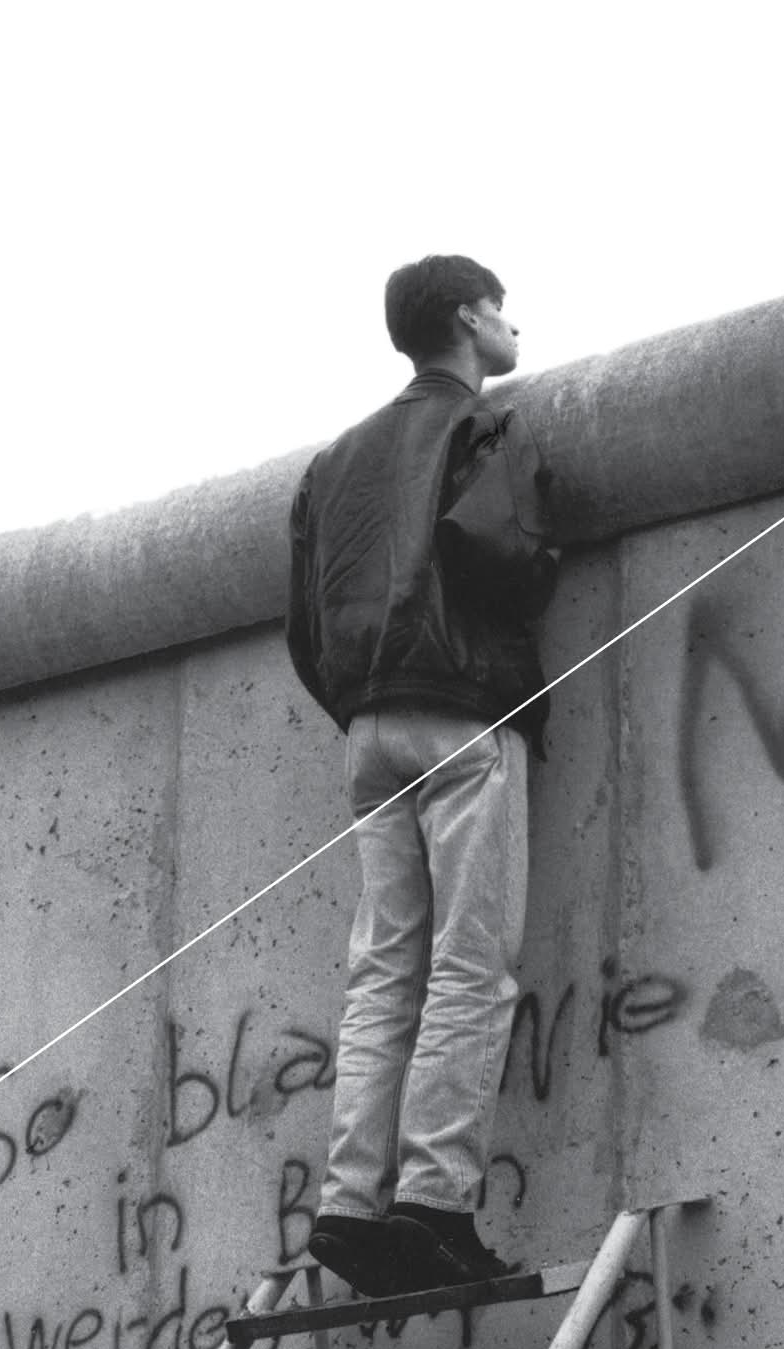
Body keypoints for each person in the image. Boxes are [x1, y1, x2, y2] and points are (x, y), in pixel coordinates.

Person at [286, 254, 558, 1296]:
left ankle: (349, 1207)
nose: (509, 320)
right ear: (463, 319)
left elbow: (303, 625)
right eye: (496, 305)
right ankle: (434, 1204)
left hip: (369, 733)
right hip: (460, 716)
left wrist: (362, 696)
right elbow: (508, 557)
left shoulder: (333, 463)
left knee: (381, 973)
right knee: (468, 966)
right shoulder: (480, 428)